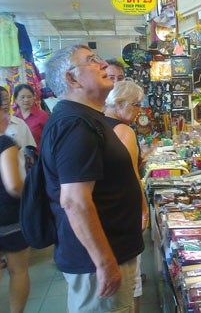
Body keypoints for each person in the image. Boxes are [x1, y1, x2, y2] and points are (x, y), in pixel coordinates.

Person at [43, 44, 144, 312]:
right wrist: (104, 262)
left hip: (110, 251)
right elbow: (74, 201)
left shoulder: (87, 118)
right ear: (72, 78)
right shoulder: (75, 124)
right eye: (91, 60)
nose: (102, 64)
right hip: (97, 260)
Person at [0, 84, 30, 313]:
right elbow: (13, 185)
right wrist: (29, 196)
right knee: (18, 270)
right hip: (9, 219)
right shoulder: (3, 143)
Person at [104, 79, 149, 313]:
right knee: (131, 284)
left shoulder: (98, 124)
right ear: (119, 103)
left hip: (106, 212)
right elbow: (132, 175)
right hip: (124, 212)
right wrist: (144, 208)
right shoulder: (124, 130)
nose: (139, 111)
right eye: (136, 105)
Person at [0, 87, 36, 179]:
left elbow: (29, 149)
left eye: (6, 98)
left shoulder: (20, 124)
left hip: (21, 179)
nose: (4, 102)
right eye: (0, 98)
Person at [13, 83, 49, 149]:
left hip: (39, 156)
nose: (26, 100)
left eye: (29, 96)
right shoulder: (14, 118)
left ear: (33, 98)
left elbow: (50, 139)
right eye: (22, 97)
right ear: (16, 100)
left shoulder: (42, 116)